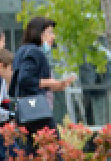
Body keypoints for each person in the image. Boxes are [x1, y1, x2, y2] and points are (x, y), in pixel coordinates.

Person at [11, 16, 77, 148]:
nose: (53, 36)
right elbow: (25, 80)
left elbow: (26, 82)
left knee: (30, 153)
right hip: (37, 110)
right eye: (50, 32)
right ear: (39, 34)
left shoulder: (21, 51)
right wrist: (51, 83)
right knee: (53, 152)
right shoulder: (35, 52)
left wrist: (58, 85)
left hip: (24, 110)